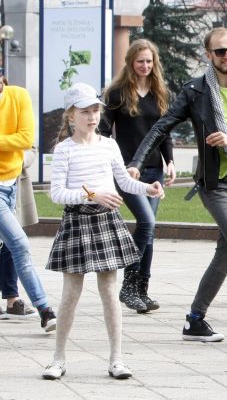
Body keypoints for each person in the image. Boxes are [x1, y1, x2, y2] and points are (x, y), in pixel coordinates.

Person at [128, 27, 227, 345]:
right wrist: (137, 163)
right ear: (208, 55)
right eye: (221, 52)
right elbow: (161, 127)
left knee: (226, 255)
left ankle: (195, 320)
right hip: (216, 185)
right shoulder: (195, 91)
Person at [42, 83, 164, 380]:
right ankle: (58, 359)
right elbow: (56, 193)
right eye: (85, 112)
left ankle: (117, 359)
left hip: (106, 221)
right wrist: (90, 194)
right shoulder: (64, 150)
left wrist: (147, 187)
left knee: (109, 292)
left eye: (95, 110)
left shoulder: (108, 145)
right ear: (71, 116)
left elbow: (123, 180)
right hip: (77, 222)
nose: (92, 116)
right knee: (71, 293)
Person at [101, 39, 176, 313]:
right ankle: (128, 285)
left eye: (149, 61)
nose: (145, 66)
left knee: (150, 230)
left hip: (155, 168)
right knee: (147, 221)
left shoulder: (160, 92)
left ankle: (141, 290)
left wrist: (170, 161)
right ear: (131, 62)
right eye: (140, 61)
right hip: (127, 170)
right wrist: (108, 165)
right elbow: (103, 131)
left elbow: (164, 130)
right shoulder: (117, 93)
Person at [0, 74, 57, 332]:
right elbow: (17, 139)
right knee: (20, 245)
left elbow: (25, 139)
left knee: (9, 246)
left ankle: (15, 301)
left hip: (12, 184)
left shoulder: (18, 96)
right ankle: (45, 308)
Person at [0, 145, 39, 322]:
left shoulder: (17, 117)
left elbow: (31, 148)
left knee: (13, 245)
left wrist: (17, 160)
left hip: (13, 184)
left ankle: (12, 300)